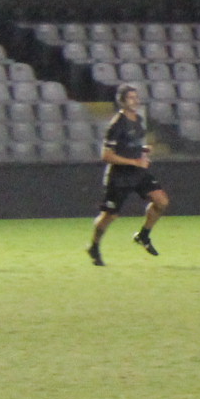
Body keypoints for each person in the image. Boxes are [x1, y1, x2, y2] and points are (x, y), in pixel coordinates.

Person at [87, 84, 168, 265]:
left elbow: (130, 144)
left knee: (161, 201)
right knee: (110, 216)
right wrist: (135, 161)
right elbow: (106, 155)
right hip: (119, 177)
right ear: (122, 101)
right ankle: (94, 245)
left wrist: (143, 150)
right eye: (131, 97)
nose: (135, 100)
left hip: (138, 173)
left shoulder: (138, 120)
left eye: (136, 97)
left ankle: (143, 235)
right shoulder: (117, 124)